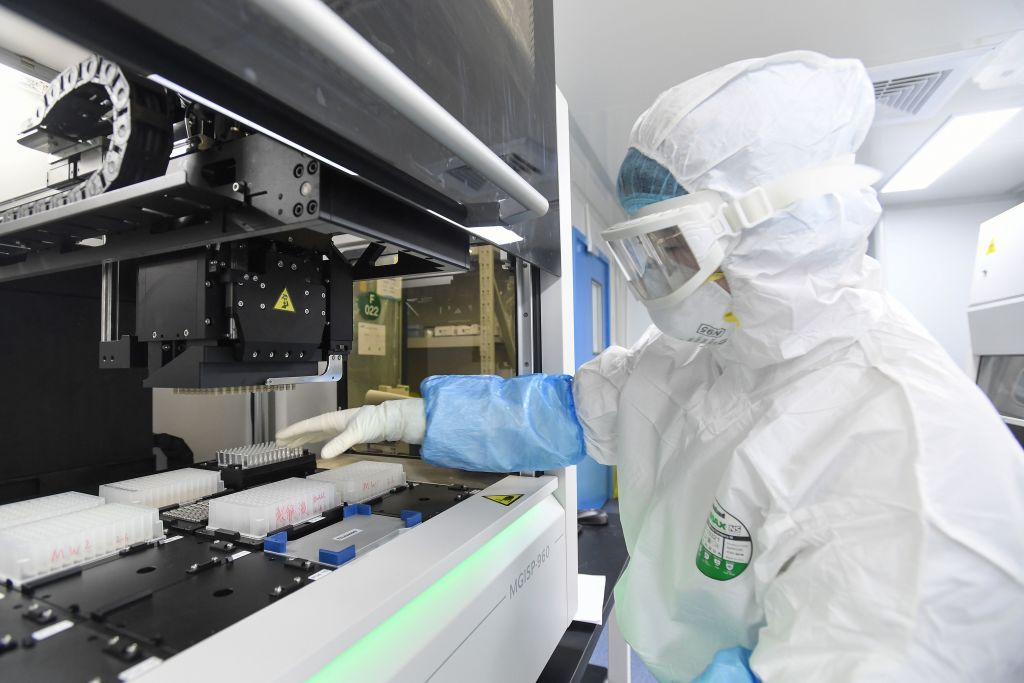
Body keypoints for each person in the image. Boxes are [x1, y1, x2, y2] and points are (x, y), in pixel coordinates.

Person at [279, 51, 1024, 682]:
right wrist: (406, 416)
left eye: (672, 248)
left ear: (777, 233)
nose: (653, 280)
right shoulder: (715, 349)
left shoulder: (909, 460)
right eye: (647, 251)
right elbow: (567, 412)